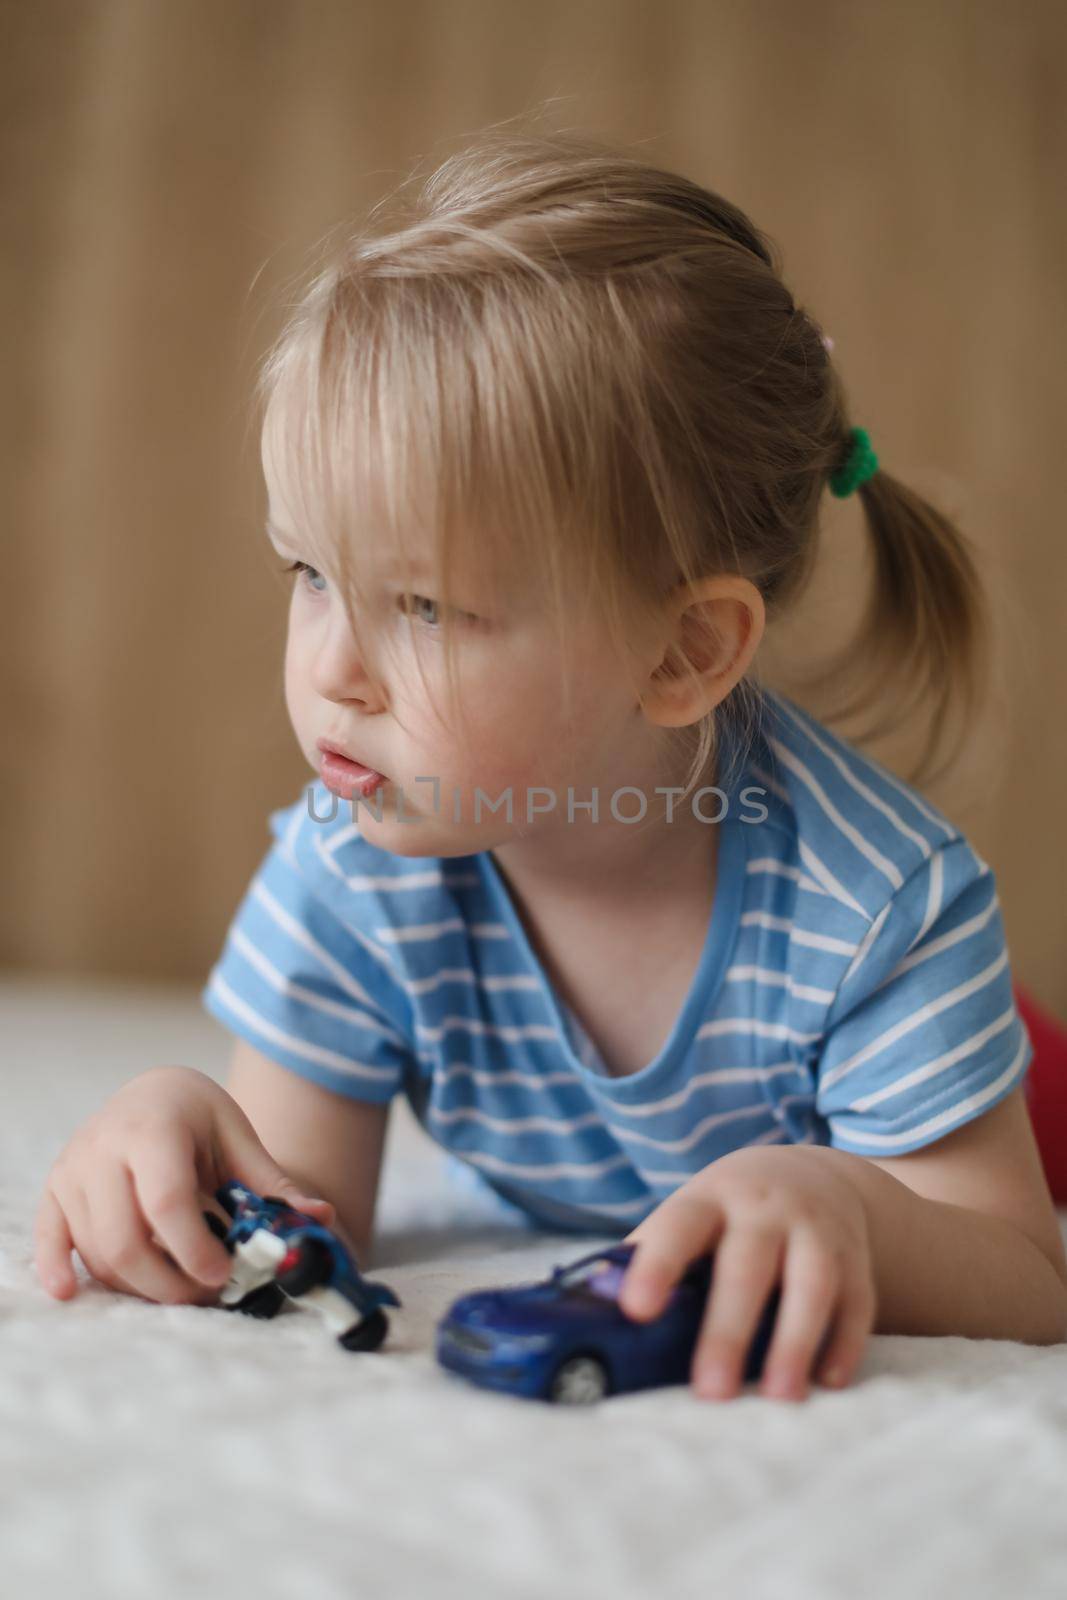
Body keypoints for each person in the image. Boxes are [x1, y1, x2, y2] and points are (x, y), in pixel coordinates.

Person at [34, 122, 1067, 1403]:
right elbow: (307, 1211)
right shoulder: (352, 867)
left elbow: (1021, 1268)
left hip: (942, 1070)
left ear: (685, 652)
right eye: (310, 574)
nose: (330, 675)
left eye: (422, 606)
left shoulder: (880, 911)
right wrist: (185, 1149)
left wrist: (847, 1201)